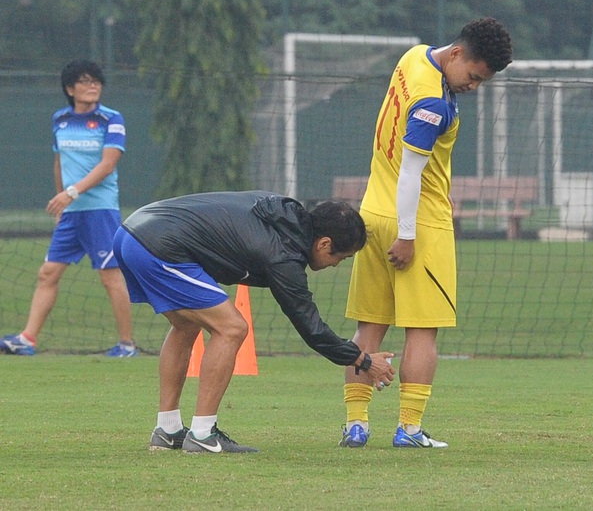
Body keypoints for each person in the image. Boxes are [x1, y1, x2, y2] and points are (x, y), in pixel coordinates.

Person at [339, 17, 513, 449]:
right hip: (416, 224)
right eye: (473, 76)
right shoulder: (434, 104)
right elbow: (411, 173)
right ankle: (409, 429)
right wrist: (408, 234)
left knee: (369, 328)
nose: (473, 87)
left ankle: (355, 424)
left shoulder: (413, 56)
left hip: (371, 215)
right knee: (422, 332)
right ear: (457, 54)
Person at [112, 191, 395, 453]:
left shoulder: (282, 213)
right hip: (157, 245)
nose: (337, 265)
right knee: (232, 328)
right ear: (324, 243)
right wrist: (364, 361)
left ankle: (168, 429)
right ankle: (202, 435)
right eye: (341, 258)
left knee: (186, 325)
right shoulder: (283, 254)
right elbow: (312, 330)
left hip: (131, 232)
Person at [0, 60, 137, 358]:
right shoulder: (59, 119)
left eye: (97, 81)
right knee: (48, 273)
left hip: (100, 210)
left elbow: (108, 164)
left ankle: (127, 344)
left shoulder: (111, 119)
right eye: (85, 81)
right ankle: (28, 338)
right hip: (71, 212)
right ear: (69, 88)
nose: (93, 86)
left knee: (109, 276)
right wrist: (62, 197)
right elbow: (60, 160)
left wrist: (72, 193)